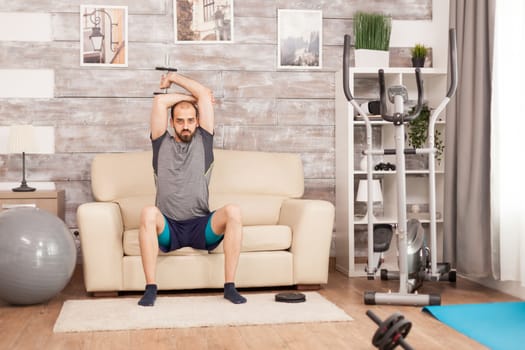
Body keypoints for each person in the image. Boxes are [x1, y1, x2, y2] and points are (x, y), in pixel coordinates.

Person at [137, 72, 246, 306]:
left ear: (197, 122)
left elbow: (205, 96)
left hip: (200, 225)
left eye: (190, 120)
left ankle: (229, 287)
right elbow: (160, 102)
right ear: (171, 122)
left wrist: (174, 78)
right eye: (179, 120)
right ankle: (151, 288)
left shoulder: (204, 140)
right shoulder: (160, 142)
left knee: (234, 211)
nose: (185, 126)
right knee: (147, 213)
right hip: (169, 226)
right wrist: (193, 98)